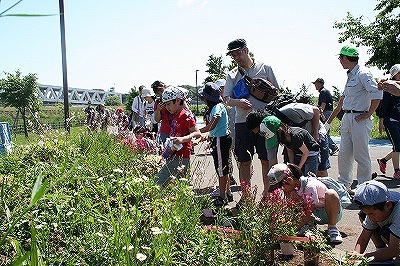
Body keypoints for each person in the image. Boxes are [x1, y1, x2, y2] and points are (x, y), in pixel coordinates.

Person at [223, 38, 279, 200]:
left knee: (266, 160)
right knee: (244, 161)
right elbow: (226, 99)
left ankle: (268, 195)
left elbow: (276, 94)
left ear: (247, 50)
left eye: (238, 53)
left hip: (264, 122)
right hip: (242, 123)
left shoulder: (265, 68)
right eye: (233, 55)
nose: (236, 57)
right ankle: (246, 197)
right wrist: (237, 102)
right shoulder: (232, 74)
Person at [326, 45, 382, 194]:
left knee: (361, 154)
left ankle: (364, 187)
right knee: (344, 153)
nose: (339, 61)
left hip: (360, 118)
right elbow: (342, 101)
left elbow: (377, 93)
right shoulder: (350, 75)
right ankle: (344, 185)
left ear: (346, 58)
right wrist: (328, 122)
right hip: (347, 117)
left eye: (340, 58)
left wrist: (368, 114)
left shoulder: (363, 74)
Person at [268, 163, 343, 244]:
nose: (281, 190)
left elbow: (308, 213)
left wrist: (291, 230)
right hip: (314, 216)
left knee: (331, 193)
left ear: (290, 180)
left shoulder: (310, 186)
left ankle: (332, 228)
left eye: (281, 187)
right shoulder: (293, 189)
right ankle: (310, 228)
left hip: (328, 213)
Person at [156, 86, 201, 187]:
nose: (167, 108)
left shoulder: (186, 115)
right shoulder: (174, 115)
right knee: (181, 186)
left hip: (182, 156)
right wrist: (164, 156)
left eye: (168, 104)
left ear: (177, 100)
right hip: (173, 154)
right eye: (165, 105)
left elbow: (197, 133)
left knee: (158, 182)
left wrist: (183, 139)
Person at [198, 82, 233, 207]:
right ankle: (228, 192)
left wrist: (196, 132)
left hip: (220, 140)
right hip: (219, 138)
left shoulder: (217, 107)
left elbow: (212, 125)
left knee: (221, 170)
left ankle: (222, 197)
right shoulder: (218, 106)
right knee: (224, 168)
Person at [352, 180, 400, 263]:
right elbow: (364, 237)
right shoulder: (377, 205)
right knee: (362, 216)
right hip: (392, 225)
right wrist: (356, 253)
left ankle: (385, 254)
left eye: (371, 214)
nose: (370, 218)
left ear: (388, 205)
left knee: (385, 234)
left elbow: (393, 250)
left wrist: (365, 257)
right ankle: (382, 250)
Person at [377, 64, 400, 178]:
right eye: (399, 73)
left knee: (399, 146)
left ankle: (383, 161)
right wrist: (381, 122)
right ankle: (397, 171)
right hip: (390, 120)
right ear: (394, 75)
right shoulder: (388, 87)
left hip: (399, 120)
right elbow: (384, 106)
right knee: (397, 145)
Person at [313, 78, 339, 156]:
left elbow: (323, 104)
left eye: (316, 84)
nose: (315, 85)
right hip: (328, 112)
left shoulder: (322, 92)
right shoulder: (325, 91)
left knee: (324, 131)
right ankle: (329, 147)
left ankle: (333, 147)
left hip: (326, 112)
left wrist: (320, 113)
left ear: (320, 83)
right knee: (325, 131)